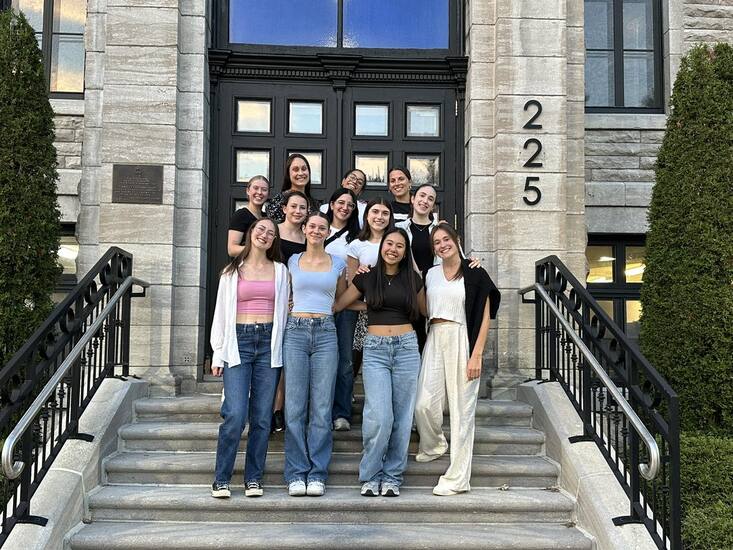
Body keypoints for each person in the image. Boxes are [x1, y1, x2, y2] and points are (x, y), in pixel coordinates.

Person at [335, 228, 425, 498]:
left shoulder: (413, 279)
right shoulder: (367, 276)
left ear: (405, 252)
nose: (393, 249)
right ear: (381, 246)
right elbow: (340, 304)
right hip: (375, 350)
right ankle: (371, 475)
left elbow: (426, 311)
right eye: (389, 243)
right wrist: (370, 305)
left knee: (402, 417)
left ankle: (392, 477)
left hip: (407, 348)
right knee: (380, 416)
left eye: (399, 246)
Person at [414, 223, 501, 496]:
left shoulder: (474, 272)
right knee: (424, 404)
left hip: (462, 338)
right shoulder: (430, 274)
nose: (442, 245)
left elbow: (485, 316)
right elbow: (424, 308)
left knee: (462, 412)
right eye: (436, 242)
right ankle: (434, 445)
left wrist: (477, 355)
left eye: (446, 239)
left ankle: (458, 479)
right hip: (435, 337)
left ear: (457, 240)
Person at [210, 218, 289, 499]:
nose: (264, 235)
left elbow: (284, 312)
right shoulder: (231, 272)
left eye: (271, 232)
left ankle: (253, 478)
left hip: (268, 344)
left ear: (274, 240)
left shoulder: (281, 271)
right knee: (234, 414)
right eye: (260, 229)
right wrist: (217, 353)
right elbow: (221, 313)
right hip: (238, 342)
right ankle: (221, 479)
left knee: (262, 418)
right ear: (250, 233)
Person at [284, 212, 347, 497]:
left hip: (325, 331)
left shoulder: (338, 263)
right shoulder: (292, 261)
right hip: (295, 331)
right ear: (305, 229)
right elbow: (284, 292)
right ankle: (297, 473)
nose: (317, 231)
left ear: (327, 232)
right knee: (295, 407)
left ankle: (317, 473)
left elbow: (341, 298)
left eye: (322, 227)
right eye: (312, 226)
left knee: (321, 408)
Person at [323, 189, 361, 431]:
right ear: (331, 204)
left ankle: (341, 412)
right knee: (322, 360)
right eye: (340, 202)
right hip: (319, 303)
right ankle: (320, 411)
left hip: (346, 304)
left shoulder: (357, 237)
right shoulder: (318, 227)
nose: (345, 207)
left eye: (350, 204)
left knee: (345, 360)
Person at [345, 198, 395, 375]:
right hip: (368, 311)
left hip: (395, 308)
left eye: (385, 213)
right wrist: (360, 275)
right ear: (366, 216)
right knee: (357, 359)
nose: (379, 217)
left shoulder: (396, 241)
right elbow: (351, 285)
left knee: (391, 358)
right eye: (375, 212)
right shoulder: (356, 245)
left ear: (390, 218)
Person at [265, 154, 318, 223]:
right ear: (288, 174)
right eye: (296, 169)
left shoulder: (314, 204)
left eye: (304, 169)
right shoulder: (279, 201)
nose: (300, 173)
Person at [227, 175, 270, 258]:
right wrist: (257, 249)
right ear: (248, 191)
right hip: (246, 264)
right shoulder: (241, 215)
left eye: (264, 189)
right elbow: (232, 250)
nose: (259, 192)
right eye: (256, 188)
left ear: (268, 194)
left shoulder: (267, 218)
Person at [277, 190, 308, 263]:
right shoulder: (272, 230)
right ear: (285, 209)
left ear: (307, 212)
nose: (298, 211)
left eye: (302, 208)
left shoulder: (308, 237)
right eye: (293, 206)